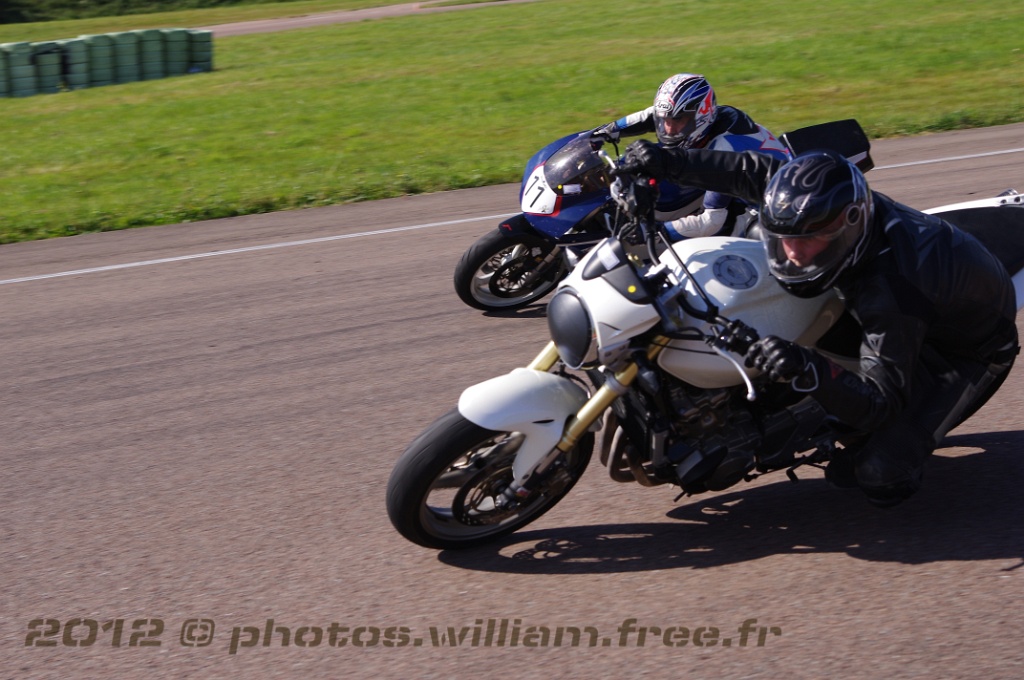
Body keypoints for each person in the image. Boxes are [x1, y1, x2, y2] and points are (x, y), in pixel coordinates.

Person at [619, 140, 1019, 507]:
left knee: (881, 473)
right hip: (914, 293)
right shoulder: (806, 205)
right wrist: (668, 160)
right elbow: (746, 170)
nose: (792, 252)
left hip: (962, 351)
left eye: (809, 239)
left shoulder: (892, 291)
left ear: (847, 226)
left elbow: (880, 401)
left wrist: (807, 367)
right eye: (786, 237)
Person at [591, 73, 791, 240]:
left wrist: (652, 233)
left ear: (702, 117)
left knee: (733, 235)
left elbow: (710, 222)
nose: (668, 129)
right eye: (665, 121)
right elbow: (650, 115)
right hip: (750, 175)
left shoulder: (724, 149)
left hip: (770, 207)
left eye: (678, 121)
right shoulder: (704, 118)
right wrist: (605, 131)